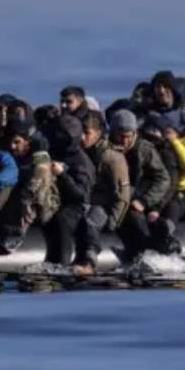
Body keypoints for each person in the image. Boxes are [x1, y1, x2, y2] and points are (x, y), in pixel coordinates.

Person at [71, 112, 132, 275]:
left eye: (87, 133)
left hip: (103, 205)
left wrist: (114, 221)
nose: (83, 137)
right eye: (80, 133)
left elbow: (122, 194)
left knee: (91, 221)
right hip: (83, 202)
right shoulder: (78, 154)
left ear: (98, 133)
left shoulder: (112, 158)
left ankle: (89, 262)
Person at [110, 110, 171, 260]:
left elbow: (163, 178)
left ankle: (150, 252)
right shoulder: (107, 147)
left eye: (128, 136)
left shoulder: (144, 149)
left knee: (135, 219)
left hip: (139, 198)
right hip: (115, 196)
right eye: (120, 136)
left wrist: (145, 201)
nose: (124, 141)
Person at [0, 117, 59, 255]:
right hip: (18, 200)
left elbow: (35, 186)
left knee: (38, 183)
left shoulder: (41, 159)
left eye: (17, 142)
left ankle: (19, 231)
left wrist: (25, 208)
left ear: (28, 142)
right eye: (11, 142)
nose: (13, 146)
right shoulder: (14, 156)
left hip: (41, 206)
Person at [148, 113, 185, 255]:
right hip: (176, 189)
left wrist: (175, 142)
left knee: (175, 202)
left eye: (168, 132)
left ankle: (168, 230)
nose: (165, 135)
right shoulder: (162, 148)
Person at [43, 115, 95, 265]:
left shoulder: (81, 162)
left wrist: (62, 175)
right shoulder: (55, 153)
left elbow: (81, 194)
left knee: (62, 219)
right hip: (56, 199)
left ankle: (62, 262)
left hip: (77, 206)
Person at [149, 71, 185, 135]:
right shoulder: (149, 116)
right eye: (158, 87)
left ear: (173, 89)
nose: (162, 91)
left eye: (166, 86)